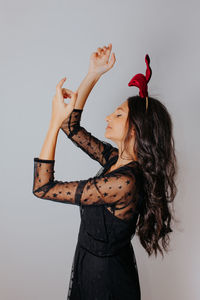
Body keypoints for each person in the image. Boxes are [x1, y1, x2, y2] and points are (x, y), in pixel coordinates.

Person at [32, 44, 177, 300]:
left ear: (136, 130)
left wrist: (53, 123)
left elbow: (42, 187)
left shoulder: (125, 182)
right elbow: (72, 127)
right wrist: (93, 74)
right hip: (90, 264)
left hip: (106, 281)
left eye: (118, 114)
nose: (108, 117)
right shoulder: (116, 160)